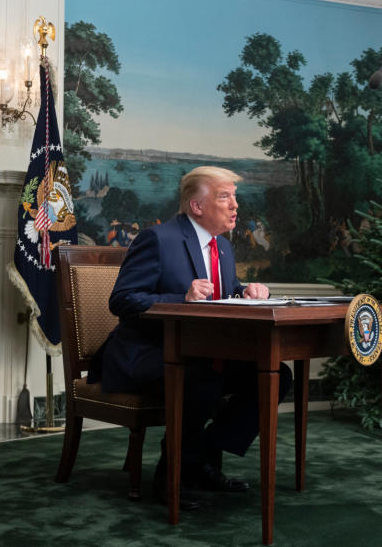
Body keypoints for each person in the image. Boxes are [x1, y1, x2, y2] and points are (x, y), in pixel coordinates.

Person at [89, 166, 292, 510]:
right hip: (146, 353)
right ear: (197, 206)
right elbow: (122, 300)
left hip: (200, 354)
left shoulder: (223, 248)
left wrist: (245, 292)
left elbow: (221, 293)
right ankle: (170, 479)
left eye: (235, 197)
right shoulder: (157, 239)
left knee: (276, 374)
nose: (235, 205)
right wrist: (181, 297)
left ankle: (199, 459)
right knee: (200, 378)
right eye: (225, 196)